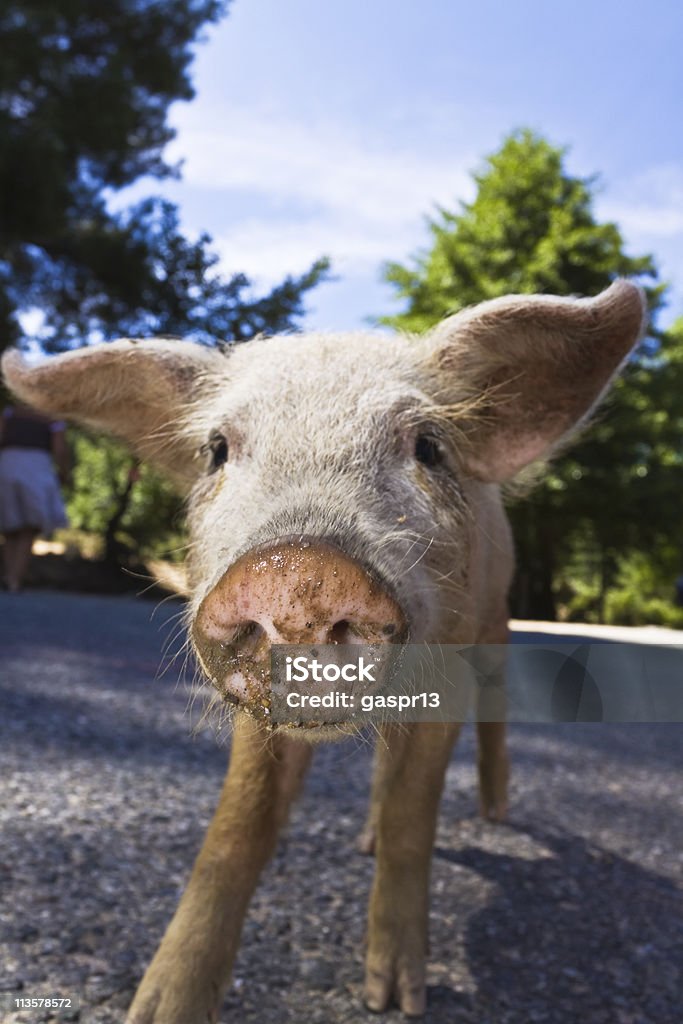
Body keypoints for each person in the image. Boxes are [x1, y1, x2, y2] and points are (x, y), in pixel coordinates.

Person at [0, 402, 70, 592]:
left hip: (7, 464)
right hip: (36, 468)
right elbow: (60, 449)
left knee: (10, 526)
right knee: (29, 528)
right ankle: (14, 579)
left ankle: (9, 575)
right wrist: (64, 474)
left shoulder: (11, 412)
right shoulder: (53, 415)